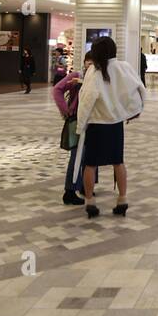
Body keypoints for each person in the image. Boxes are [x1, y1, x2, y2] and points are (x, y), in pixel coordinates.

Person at [73, 37, 146, 219]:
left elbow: (86, 101)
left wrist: (80, 126)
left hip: (96, 126)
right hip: (115, 125)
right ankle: (122, 199)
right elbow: (140, 89)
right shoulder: (124, 67)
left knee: (90, 164)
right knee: (118, 162)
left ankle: (90, 201)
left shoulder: (93, 71)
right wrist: (134, 111)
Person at [53, 53, 93, 206]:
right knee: (77, 155)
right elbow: (57, 90)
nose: (91, 65)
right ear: (84, 62)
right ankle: (70, 191)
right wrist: (65, 110)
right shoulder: (77, 75)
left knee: (90, 154)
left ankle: (85, 186)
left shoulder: (96, 77)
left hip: (93, 121)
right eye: (88, 61)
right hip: (77, 120)